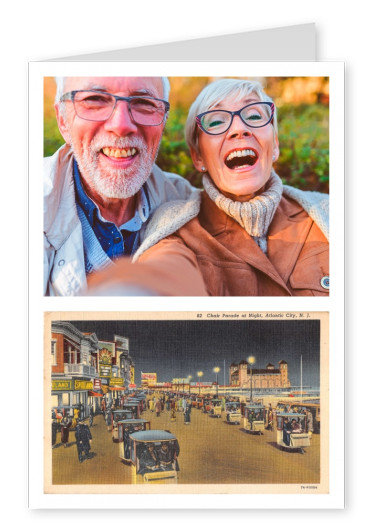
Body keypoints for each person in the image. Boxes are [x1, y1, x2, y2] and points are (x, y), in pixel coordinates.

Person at [94, 78, 329, 296]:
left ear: (275, 145)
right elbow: (164, 271)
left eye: (255, 116)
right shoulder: (177, 230)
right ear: (198, 157)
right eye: (216, 121)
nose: (239, 129)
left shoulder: (327, 214)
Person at [44, 76, 198, 296]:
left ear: (163, 121)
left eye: (144, 103)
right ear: (62, 120)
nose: (121, 125)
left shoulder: (187, 204)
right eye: (95, 99)